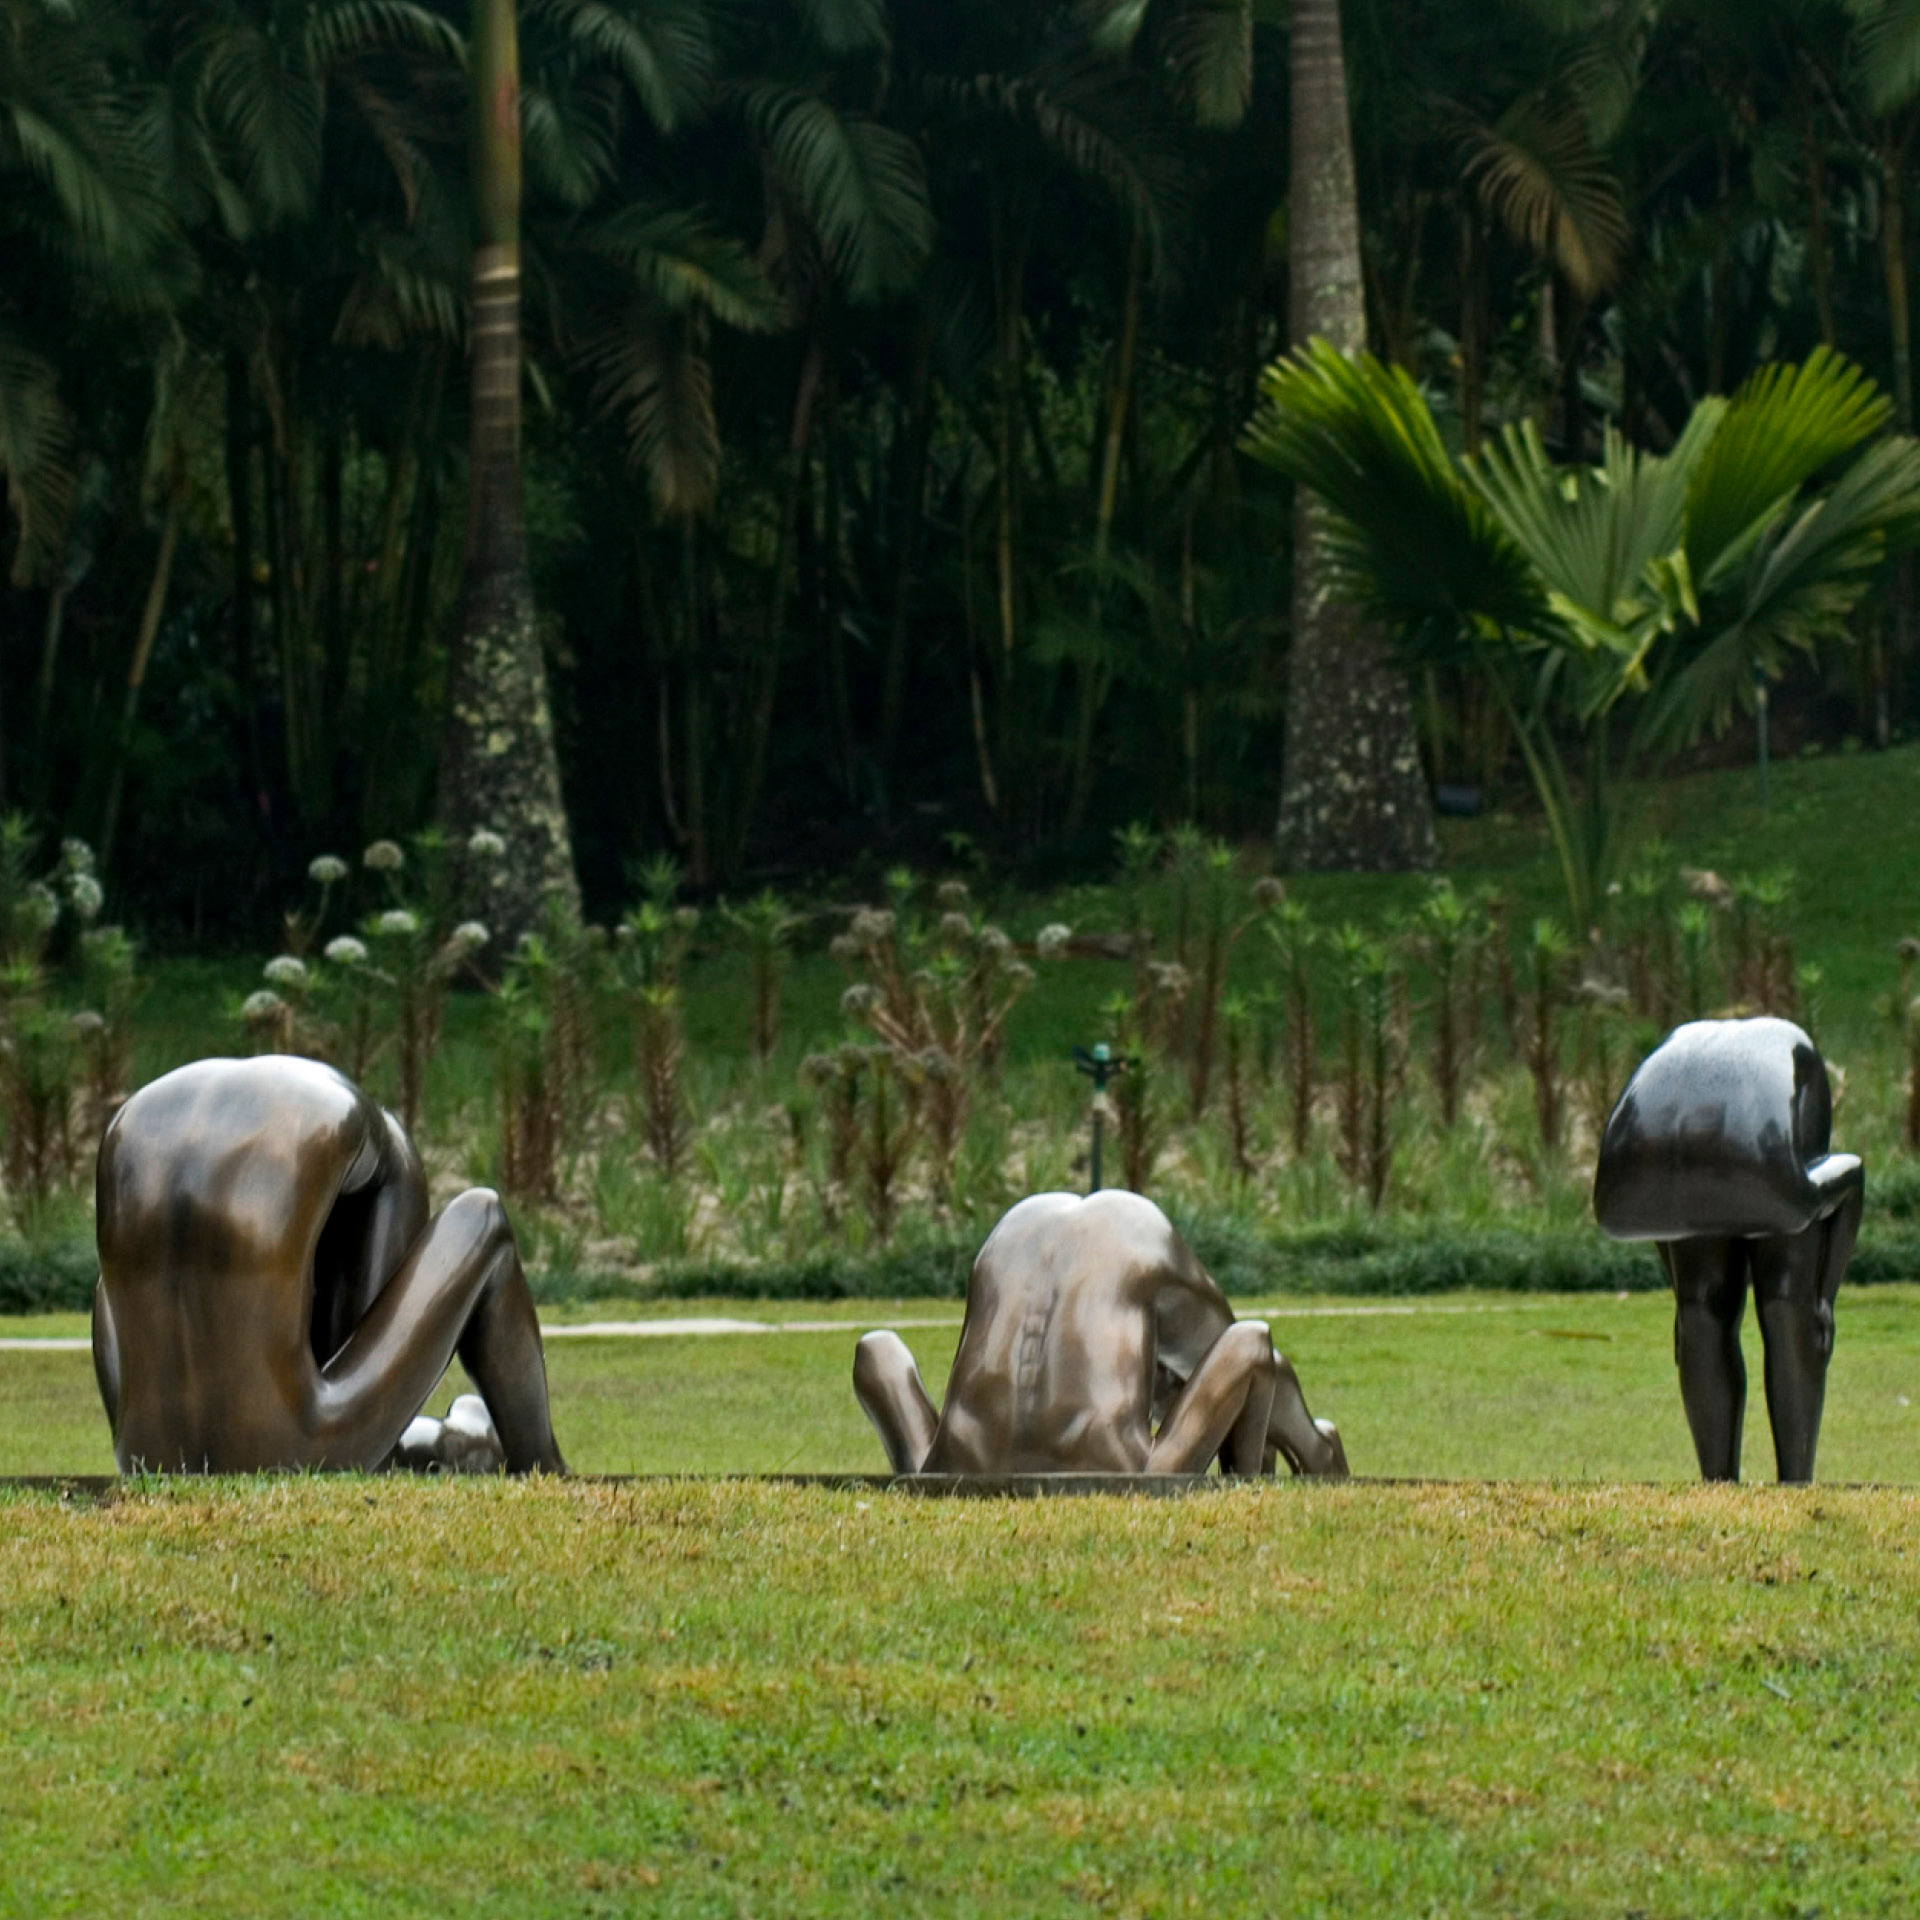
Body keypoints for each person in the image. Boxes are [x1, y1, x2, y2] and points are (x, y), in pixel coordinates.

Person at [92, 1055, 565, 1475]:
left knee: (132, 1266)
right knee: (484, 1221)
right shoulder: (391, 1155)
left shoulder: (132, 1119)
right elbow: (371, 1368)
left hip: (143, 1452)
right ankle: (545, 1467)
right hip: (291, 1451)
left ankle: (451, 1439)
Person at [853, 1190, 1347, 1477]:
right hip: (1113, 1468)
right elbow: (1239, 1352)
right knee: (1253, 1342)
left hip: (960, 1464)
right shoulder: (1142, 1233)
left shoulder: (1018, 1226)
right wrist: (1262, 1460)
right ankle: (1309, 1456)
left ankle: (1310, 1447)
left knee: (878, 1350)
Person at [1594, 1016, 1864, 1483]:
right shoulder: (1787, 1186)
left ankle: (1725, 1484)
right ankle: (1792, 1484)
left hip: (1672, 1155)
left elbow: (1655, 1209)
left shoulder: (1772, 1174)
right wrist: (1823, 1297)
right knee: (1785, 1304)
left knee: (1707, 1308)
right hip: (1707, 1153)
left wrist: (1685, 1296)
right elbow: (1852, 1176)